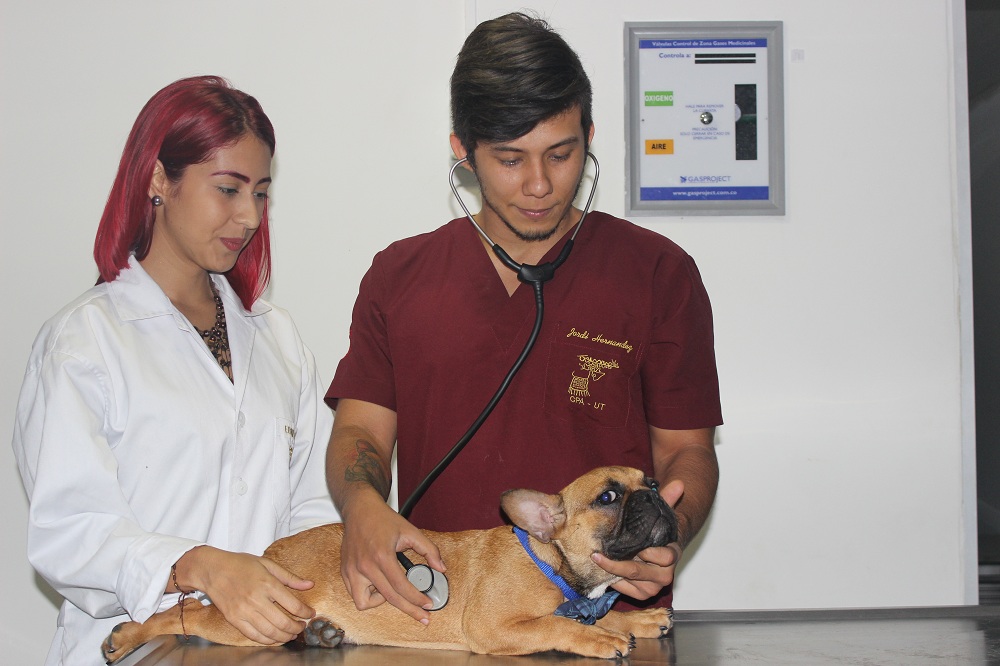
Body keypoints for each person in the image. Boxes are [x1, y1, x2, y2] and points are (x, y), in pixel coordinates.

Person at [325, 12, 722, 625]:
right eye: (510, 160)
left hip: (611, 625)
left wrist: (672, 529)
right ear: (463, 151)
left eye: (561, 154)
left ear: (589, 137)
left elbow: (687, 450)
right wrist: (361, 508)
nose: (539, 185)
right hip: (440, 622)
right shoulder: (398, 278)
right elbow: (361, 433)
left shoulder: (657, 274)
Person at [11, 76, 338, 665]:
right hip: (130, 649)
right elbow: (70, 530)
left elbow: (314, 507)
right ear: (159, 179)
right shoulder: (85, 342)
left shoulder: (278, 339)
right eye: (228, 189)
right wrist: (202, 566)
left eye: (261, 193)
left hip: (260, 651)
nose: (249, 216)